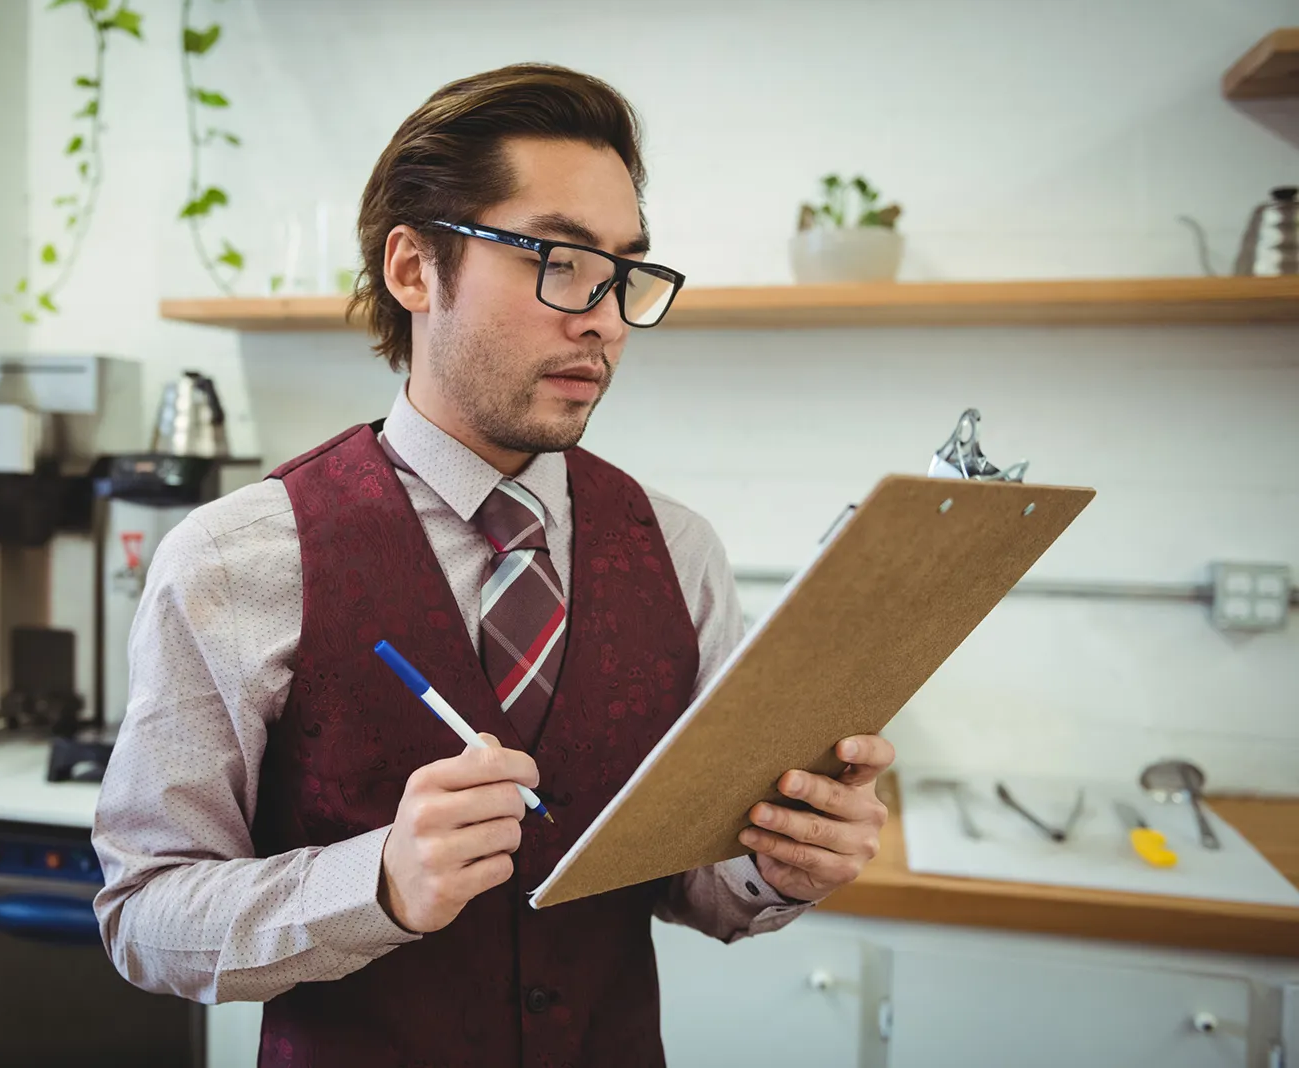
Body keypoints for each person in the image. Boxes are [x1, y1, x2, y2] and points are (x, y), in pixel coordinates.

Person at [92, 62, 894, 1067]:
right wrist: (375, 884)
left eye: (624, 272)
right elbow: (143, 918)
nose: (602, 317)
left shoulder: (679, 553)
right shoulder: (235, 560)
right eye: (559, 259)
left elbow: (692, 881)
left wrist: (780, 865)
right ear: (414, 270)